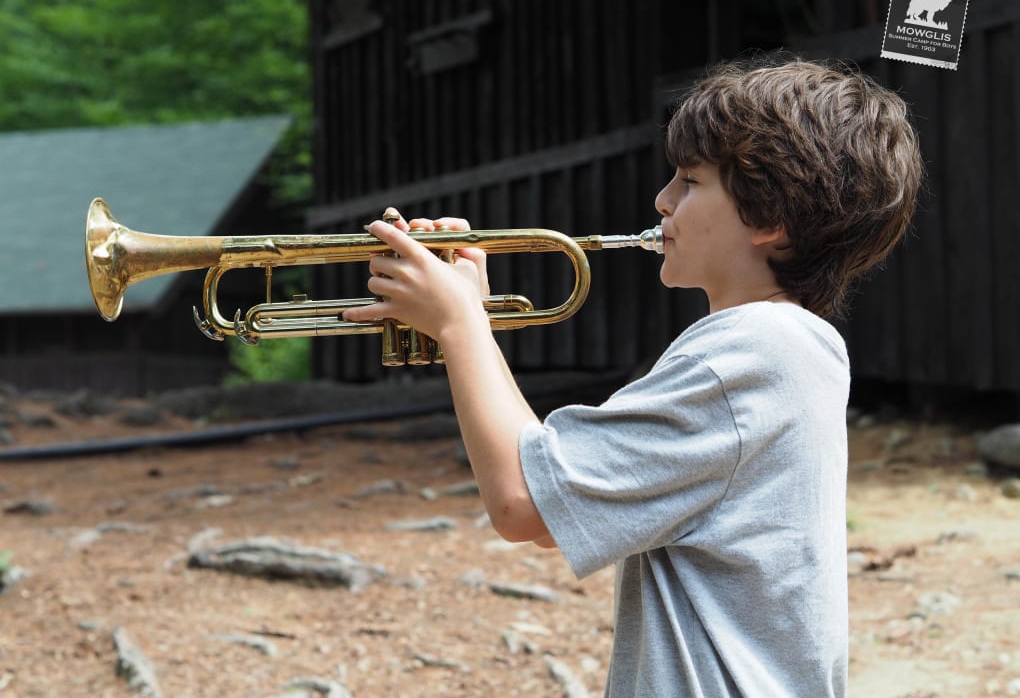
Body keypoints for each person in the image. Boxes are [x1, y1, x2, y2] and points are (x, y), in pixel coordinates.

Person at [343, 55, 922, 697]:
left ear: (769, 219)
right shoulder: (791, 346)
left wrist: (459, 326)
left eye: (690, 180)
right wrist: (468, 319)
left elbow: (524, 506)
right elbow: (567, 512)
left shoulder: (749, 351)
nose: (661, 200)